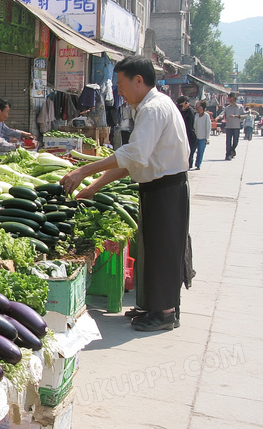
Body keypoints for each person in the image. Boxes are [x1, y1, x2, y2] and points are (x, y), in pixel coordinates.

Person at [60, 55, 190, 332]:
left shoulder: (153, 109)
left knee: (163, 251)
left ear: (138, 81)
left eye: (121, 83)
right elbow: (133, 162)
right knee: (153, 250)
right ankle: (153, 307)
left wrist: (83, 171)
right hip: (158, 188)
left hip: (166, 190)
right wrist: (93, 187)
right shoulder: (152, 106)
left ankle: (165, 313)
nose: (118, 90)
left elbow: (133, 154)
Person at [215, 93, 245, 160]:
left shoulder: (239, 107)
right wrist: (217, 118)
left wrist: (237, 116)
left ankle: (232, 150)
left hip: (236, 127)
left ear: (234, 98)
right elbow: (222, 114)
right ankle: (227, 154)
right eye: (229, 98)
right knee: (228, 141)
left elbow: (244, 115)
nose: (229, 99)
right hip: (228, 126)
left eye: (230, 98)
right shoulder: (227, 108)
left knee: (235, 141)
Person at [176, 96, 197, 167]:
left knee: (189, 152)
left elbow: (188, 125)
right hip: (183, 134)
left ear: (186, 103)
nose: (181, 107)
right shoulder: (180, 110)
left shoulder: (190, 111)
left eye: (181, 105)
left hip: (190, 135)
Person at [192, 101, 211, 170]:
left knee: (200, 151)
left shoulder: (206, 116)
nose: (197, 108)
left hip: (202, 137)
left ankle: (198, 164)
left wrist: (207, 137)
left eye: (199, 106)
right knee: (192, 151)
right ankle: (190, 163)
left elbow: (208, 127)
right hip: (195, 136)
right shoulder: (195, 115)